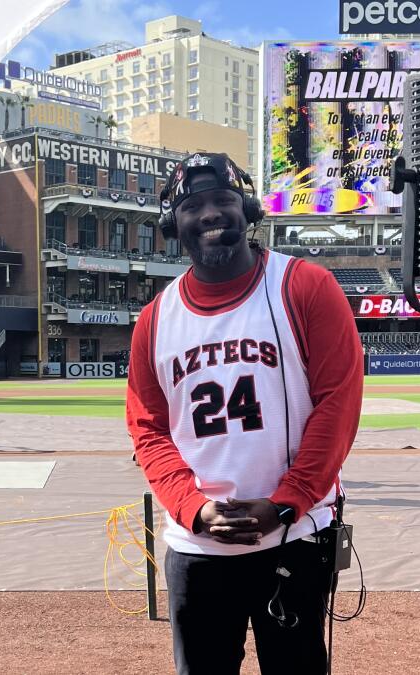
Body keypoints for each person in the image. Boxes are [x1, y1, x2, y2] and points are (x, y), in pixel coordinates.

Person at [126, 153, 364, 674]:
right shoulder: (155, 319)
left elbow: (338, 406)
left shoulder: (304, 286)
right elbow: (148, 430)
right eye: (193, 205)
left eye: (223, 200)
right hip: (196, 544)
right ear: (174, 223)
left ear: (247, 210)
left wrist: (287, 503)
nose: (210, 214)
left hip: (295, 536)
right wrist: (192, 507)